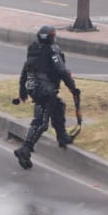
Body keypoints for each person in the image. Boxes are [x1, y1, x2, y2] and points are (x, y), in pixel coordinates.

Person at [12, 25, 81, 170]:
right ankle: (25, 149)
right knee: (42, 121)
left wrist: (23, 90)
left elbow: (26, 69)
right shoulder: (53, 51)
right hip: (46, 90)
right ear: (52, 36)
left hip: (35, 88)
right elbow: (62, 71)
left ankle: (62, 136)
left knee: (57, 106)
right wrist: (73, 88)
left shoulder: (33, 49)